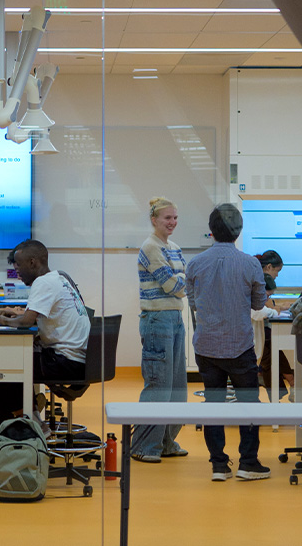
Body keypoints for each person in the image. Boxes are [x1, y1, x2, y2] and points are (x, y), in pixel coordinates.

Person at [186, 203, 269, 482]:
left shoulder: (195, 264)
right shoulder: (250, 263)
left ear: (211, 231)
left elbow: (193, 304)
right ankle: (248, 463)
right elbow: (258, 304)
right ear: (239, 230)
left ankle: (219, 466)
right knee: (249, 402)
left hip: (206, 347)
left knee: (213, 401)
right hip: (240, 346)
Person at [130, 196, 189, 463]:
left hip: (175, 318)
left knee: (177, 387)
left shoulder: (174, 247)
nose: (172, 222)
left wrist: (182, 282)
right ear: (154, 220)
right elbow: (174, 286)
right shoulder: (150, 246)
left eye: (175, 217)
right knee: (158, 386)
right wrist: (182, 282)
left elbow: (185, 283)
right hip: (157, 320)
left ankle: (166, 442)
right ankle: (144, 446)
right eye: (168, 218)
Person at [0, 239, 90, 381]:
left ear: (32, 262)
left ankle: (25, 403)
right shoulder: (59, 278)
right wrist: (16, 316)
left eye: (19, 266)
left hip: (65, 363)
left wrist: (3, 320)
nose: (17, 273)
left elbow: (26, 322)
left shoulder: (42, 282)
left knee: (6, 363)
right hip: (78, 361)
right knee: (16, 357)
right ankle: (31, 402)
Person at [254, 249, 296, 399]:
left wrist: (277, 307)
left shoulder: (258, 278)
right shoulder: (257, 281)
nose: (277, 275)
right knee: (271, 347)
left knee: (271, 349)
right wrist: (276, 308)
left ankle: (288, 386)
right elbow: (264, 309)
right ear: (269, 267)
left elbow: (267, 307)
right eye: (277, 271)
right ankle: (292, 382)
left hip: (257, 329)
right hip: (250, 331)